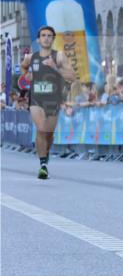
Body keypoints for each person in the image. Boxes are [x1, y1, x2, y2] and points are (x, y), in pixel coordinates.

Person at [20, 26, 75, 179]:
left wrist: (55, 67)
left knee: (49, 134)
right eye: (43, 35)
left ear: (53, 39)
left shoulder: (59, 56)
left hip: (53, 99)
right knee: (41, 128)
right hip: (36, 98)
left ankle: (45, 152)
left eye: (49, 35)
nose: (46, 38)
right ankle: (43, 165)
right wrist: (27, 75)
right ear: (38, 40)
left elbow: (72, 77)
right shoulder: (30, 57)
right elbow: (23, 67)